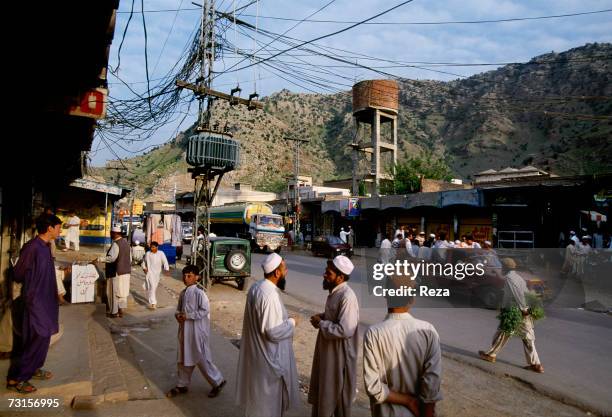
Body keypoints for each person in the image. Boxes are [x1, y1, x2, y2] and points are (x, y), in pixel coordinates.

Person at [363, 275, 442, 417]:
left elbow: (373, 387)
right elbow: (432, 384)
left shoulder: (374, 333)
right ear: (412, 299)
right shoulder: (428, 331)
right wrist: (415, 405)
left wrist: (407, 401)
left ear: (386, 294)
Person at [235, 253, 300, 417]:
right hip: (269, 362)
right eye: (284, 269)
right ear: (277, 273)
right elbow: (272, 331)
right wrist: (292, 322)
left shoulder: (257, 287)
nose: (286, 272)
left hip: (259, 358)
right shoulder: (269, 294)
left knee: (260, 403)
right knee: (267, 407)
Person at [7, 214, 62, 394]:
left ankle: (34, 367)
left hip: (46, 300)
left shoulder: (46, 247)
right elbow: (18, 273)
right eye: (58, 227)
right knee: (34, 338)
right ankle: (18, 379)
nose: (60, 230)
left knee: (44, 337)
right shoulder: (32, 248)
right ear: (50, 228)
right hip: (35, 301)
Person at [309, 256, 359, 417]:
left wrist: (321, 324)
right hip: (328, 353)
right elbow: (335, 316)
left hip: (339, 357)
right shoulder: (336, 292)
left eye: (328, 273)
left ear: (340, 277)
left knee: (336, 396)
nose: (324, 275)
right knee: (324, 393)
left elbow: (345, 329)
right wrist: (323, 316)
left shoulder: (347, 297)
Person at [166, 265, 226, 398]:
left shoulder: (200, 293)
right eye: (185, 275)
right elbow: (178, 309)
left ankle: (218, 381)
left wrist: (188, 316)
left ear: (197, 277)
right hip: (184, 331)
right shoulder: (183, 293)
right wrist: (178, 315)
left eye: (189, 276)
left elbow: (204, 311)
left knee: (201, 358)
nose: (186, 278)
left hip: (197, 332)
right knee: (183, 357)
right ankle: (182, 385)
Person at [479, 258, 544, 373]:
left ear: (506, 267)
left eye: (502, 267)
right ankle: (536, 365)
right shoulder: (518, 277)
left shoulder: (510, 278)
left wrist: (524, 310)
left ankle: (491, 355)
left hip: (516, 312)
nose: (501, 269)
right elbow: (526, 293)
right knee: (527, 338)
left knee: (502, 333)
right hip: (523, 311)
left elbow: (518, 295)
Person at [101, 226, 131, 318]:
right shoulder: (126, 243)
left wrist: (99, 259)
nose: (110, 235)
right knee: (123, 293)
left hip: (117, 272)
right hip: (126, 272)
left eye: (111, 233)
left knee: (113, 293)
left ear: (115, 233)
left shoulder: (116, 244)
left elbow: (111, 258)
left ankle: (113, 312)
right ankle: (121, 311)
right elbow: (130, 258)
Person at [142, 241, 169, 310]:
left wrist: (166, 269)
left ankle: (152, 301)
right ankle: (153, 303)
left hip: (157, 274)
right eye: (151, 247)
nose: (152, 248)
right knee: (153, 287)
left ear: (157, 247)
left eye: (153, 247)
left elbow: (165, 261)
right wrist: (144, 268)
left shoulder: (161, 253)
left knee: (153, 288)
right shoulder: (148, 254)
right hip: (150, 273)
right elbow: (143, 262)